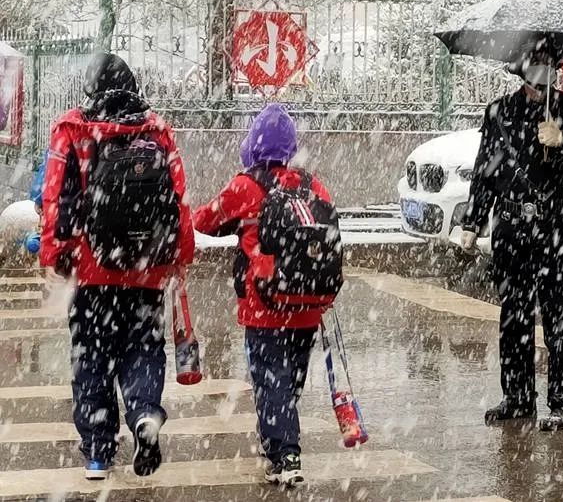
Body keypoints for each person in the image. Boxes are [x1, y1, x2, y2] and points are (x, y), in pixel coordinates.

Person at [40, 52, 195, 480]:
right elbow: (178, 199)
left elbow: (57, 199)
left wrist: (54, 254)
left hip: (91, 272)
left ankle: (97, 451)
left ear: (89, 88)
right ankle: (144, 413)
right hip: (147, 269)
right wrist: (180, 255)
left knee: (92, 357)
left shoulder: (72, 130)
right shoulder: (157, 131)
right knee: (143, 348)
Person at [192, 103, 341, 488]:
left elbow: (205, 220)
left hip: (265, 304)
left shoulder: (245, 186)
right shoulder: (312, 185)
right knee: (289, 378)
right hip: (307, 304)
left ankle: (285, 452)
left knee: (270, 378)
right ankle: (277, 438)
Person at [461, 45, 563, 432]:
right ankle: (518, 398)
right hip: (512, 228)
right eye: (535, 68)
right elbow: (485, 169)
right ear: (520, 71)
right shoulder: (500, 112)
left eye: (548, 67)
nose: (541, 77)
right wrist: (473, 220)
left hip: (558, 227)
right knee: (514, 317)